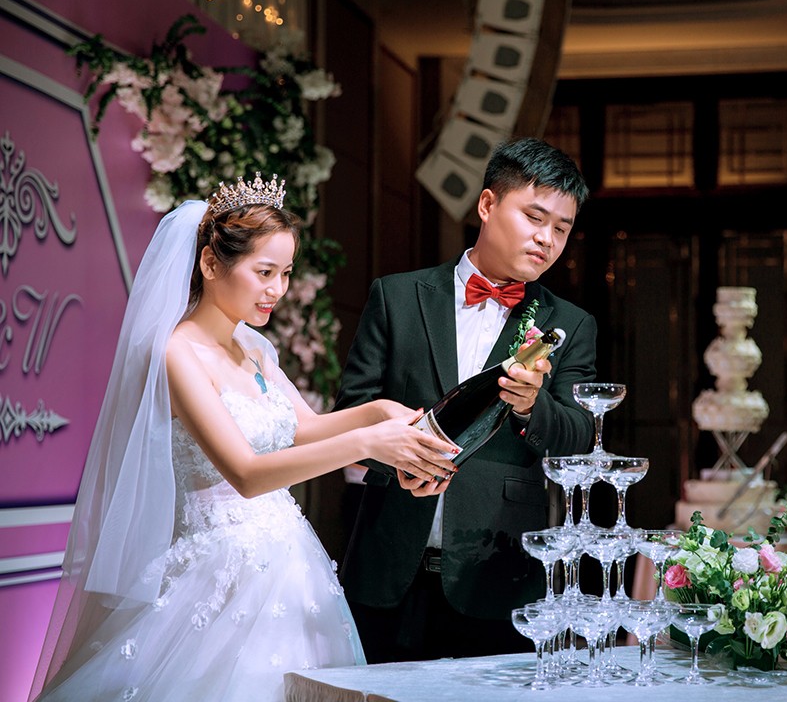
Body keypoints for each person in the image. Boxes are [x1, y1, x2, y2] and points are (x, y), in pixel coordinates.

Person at [31, 175, 458, 701]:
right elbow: (247, 474)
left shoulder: (254, 348)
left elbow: (304, 428)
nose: (277, 290)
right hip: (218, 576)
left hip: (288, 563)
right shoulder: (177, 354)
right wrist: (368, 444)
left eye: (286, 274)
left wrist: (378, 411)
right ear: (211, 265)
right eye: (264, 272)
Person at [336, 137, 596, 662]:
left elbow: (581, 438)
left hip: (497, 573)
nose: (546, 239)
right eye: (534, 217)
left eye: (561, 229)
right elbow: (350, 418)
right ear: (487, 204)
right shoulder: (397, 296)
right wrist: (402, 456)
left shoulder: (569, 323)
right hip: (389, 565)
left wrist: (532, 405)